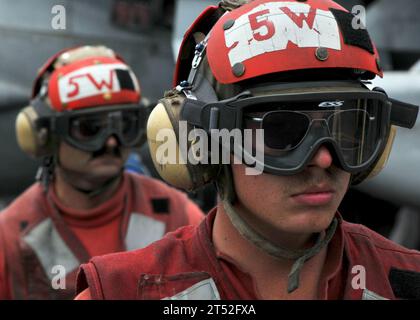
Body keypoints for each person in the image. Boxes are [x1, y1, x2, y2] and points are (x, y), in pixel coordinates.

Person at [76, 0, 420, 300]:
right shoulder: (122, 290)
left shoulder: (408, 280)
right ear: (205, 144)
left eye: (348, 127)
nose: (324, 158)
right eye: (281, 131)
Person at [0, 45, 204, 300]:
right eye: (89, 128)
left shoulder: (176, 213)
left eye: (124, 125)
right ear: (45, 136)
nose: (110, 142)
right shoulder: (12, 235)